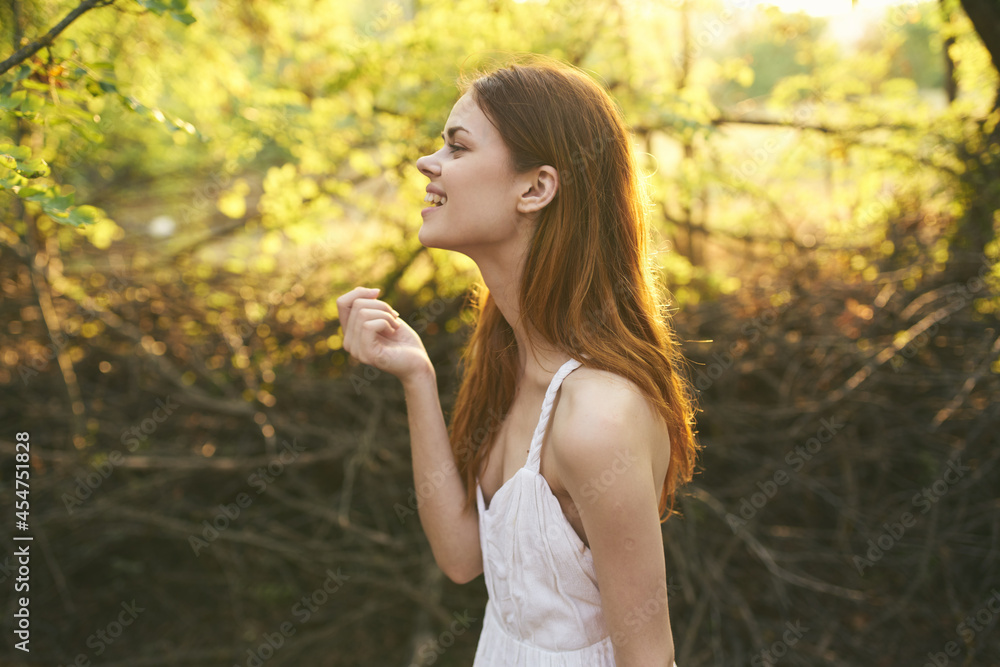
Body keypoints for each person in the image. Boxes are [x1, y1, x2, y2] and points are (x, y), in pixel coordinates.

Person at [336, 53, 699, 666]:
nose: (428, 162)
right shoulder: (510, 359)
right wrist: (417, 377)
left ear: (535, 189)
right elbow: (462, 557)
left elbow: (649, 657)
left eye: (457, 147)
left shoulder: (598, 417)